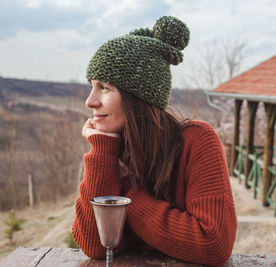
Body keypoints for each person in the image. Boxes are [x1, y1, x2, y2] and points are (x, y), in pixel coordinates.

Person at [72, 16, 237, 266]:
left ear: (137, 96)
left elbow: (213, 245)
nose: (90, 101)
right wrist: (102, 151)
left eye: (103, 87)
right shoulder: (110, 149)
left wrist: (127, 195)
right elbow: (95, 246)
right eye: (92, 86)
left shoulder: (197, 142)